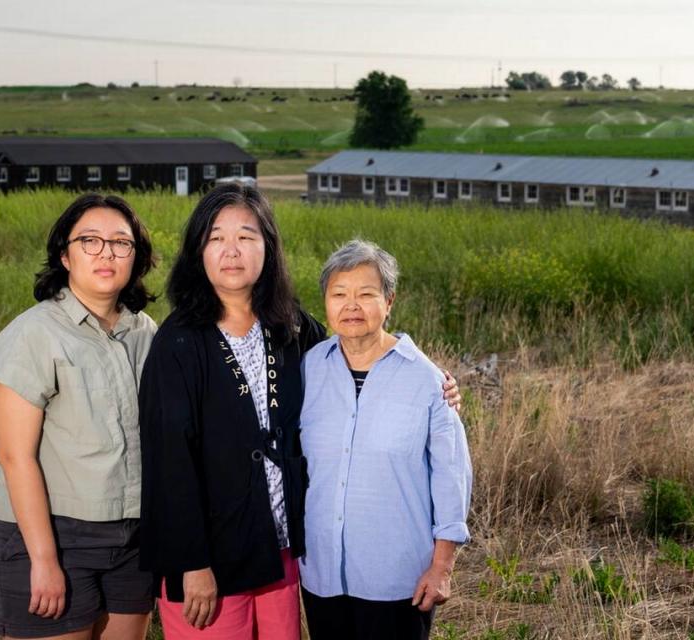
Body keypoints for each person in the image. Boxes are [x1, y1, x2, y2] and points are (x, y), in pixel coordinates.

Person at [138, 185, 460, 640]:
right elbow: (168, 460)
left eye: (247, 236)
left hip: (282, 552)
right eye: (216, 237)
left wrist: (434, 382)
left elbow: (356, 350)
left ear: (268, 247)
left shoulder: (289, 326)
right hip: (210, 558)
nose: (232, 251)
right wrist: (193, 564)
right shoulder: (177, 342)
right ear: (198, 251)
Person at [0, 193, 157, 640]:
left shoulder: (147, 332)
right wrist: (43, 561)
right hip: (54, 537)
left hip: (135, 538)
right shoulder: (32, 334)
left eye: (121, 242)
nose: (106, 253)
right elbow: (14, 457)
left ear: (135, 257)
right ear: (65, 254)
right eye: (90, 241)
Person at [298, 239, 473, 640]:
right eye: (339, 294)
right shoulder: (309, 369)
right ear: (325, 302)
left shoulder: (427, 379)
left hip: (397, 579)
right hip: (323, 573)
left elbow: (452, 478)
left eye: (366, 294)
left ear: (389, 301)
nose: (351, 305)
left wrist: (442, 566)